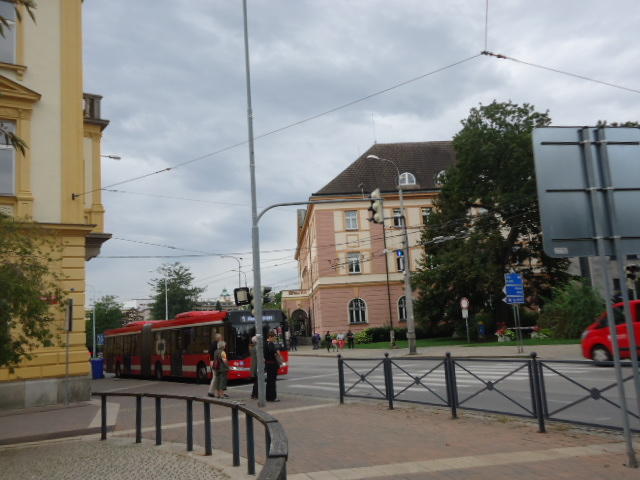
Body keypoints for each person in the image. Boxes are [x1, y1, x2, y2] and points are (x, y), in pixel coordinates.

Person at [264, 331, 280, 402]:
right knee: (272, 382)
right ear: (270, 337)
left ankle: (268, 397)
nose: (274, 339)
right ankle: (273, 397)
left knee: (269, 381)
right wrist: (276, 352)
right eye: (274, 337)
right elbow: (272, 351)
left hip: (268, 364)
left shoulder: (265, 344)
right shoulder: (270, 344)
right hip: (272, 365)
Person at [207, 332, 222, 397]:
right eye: (221, 337)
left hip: (212, 361)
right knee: (216, 377)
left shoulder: (212, 344)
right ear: (218, 338)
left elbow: (209, 352)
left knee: (215, 377)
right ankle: (212, 392)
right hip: (215, 362)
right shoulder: (217, 345)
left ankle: (213, 392)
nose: (221, 338)